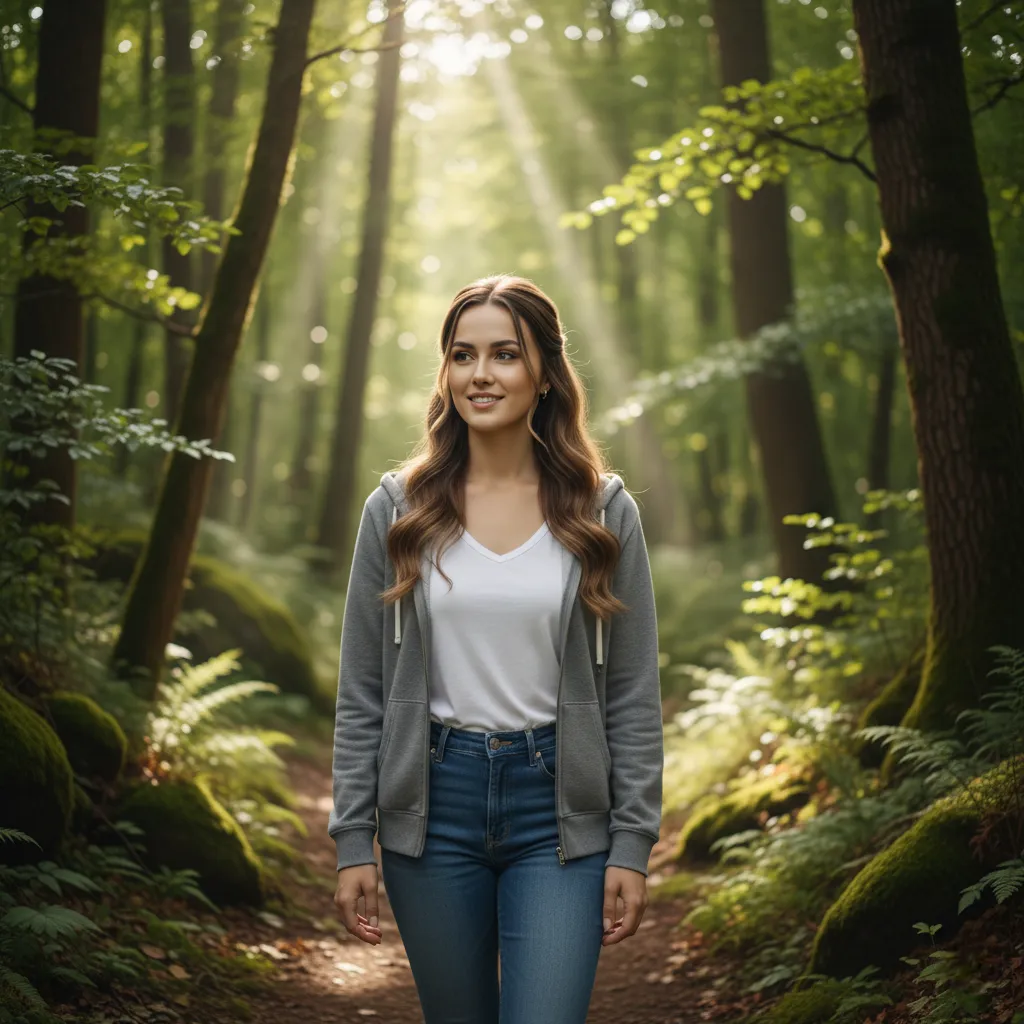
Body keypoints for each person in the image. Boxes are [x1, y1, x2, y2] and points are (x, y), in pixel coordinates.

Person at [328, 274, 664, 1023]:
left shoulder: (605, 511)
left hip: (559, 811)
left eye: (505, 354)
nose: (482, 374)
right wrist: (354, 838)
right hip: (430, 807)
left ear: (544, 371)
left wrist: (632, 844)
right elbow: (362, 691)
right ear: (445, 373)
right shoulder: (396, 509)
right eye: (463, 355)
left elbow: (634, 695)